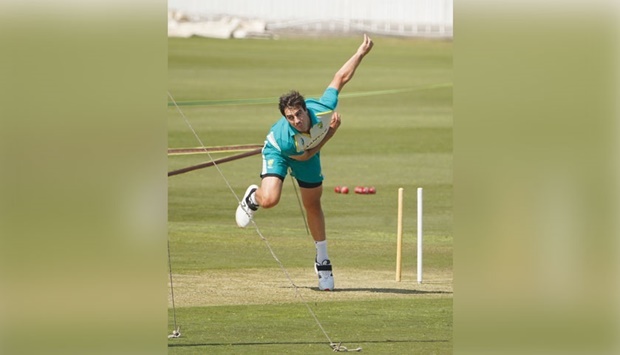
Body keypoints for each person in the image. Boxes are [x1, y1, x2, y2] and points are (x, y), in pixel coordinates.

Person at [236, 34, 374, 291]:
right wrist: (330, 134)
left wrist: (360, 53)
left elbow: (340, 78)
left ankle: (322, 261)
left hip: (308, 150)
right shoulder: (285, 137)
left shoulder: (322, 109)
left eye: (299, 114)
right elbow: (307, 154)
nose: (297, 120)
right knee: (271, 201)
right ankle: (253, 198)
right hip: (282, 152)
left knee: (313, 204)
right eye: (290, 117)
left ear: (305, 110)